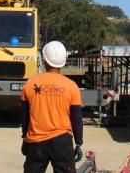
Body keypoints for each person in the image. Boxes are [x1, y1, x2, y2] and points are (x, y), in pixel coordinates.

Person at [21, 41, 84, 173]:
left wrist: (25, 138)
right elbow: (76, 119)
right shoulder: (71, 86)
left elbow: (25, 117)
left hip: (36, 142)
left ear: (44, 59)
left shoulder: (30, 84)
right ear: (63, 61)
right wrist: (78, 143)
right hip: (62, 142)